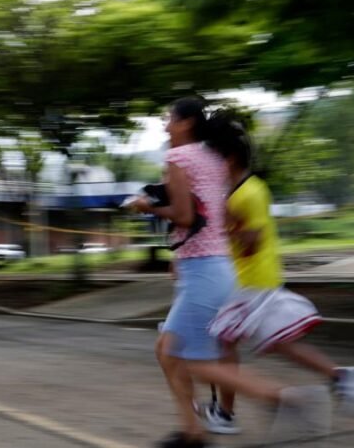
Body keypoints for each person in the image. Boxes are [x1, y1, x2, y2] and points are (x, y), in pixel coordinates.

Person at [131, 98, 329, 447]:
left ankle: (286, 399)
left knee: (198, 362)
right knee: (167, 351)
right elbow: (213, 212)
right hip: (213, 267)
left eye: (169, 119)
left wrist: (147, 205)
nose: (165, 125)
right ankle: (192, 432)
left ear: (186, 122)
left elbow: (184, 216)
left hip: (204, 273)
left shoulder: (177, 158)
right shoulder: (213, 160)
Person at [201, 113, 353, 434]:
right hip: (257, 282)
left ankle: (226, 415)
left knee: (223, 344)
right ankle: (341, 377)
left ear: (227, 159)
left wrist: (223, 224)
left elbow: (251, 243)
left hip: (253, 285)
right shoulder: (241, 190)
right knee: (282, 344)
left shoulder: (250, 193)